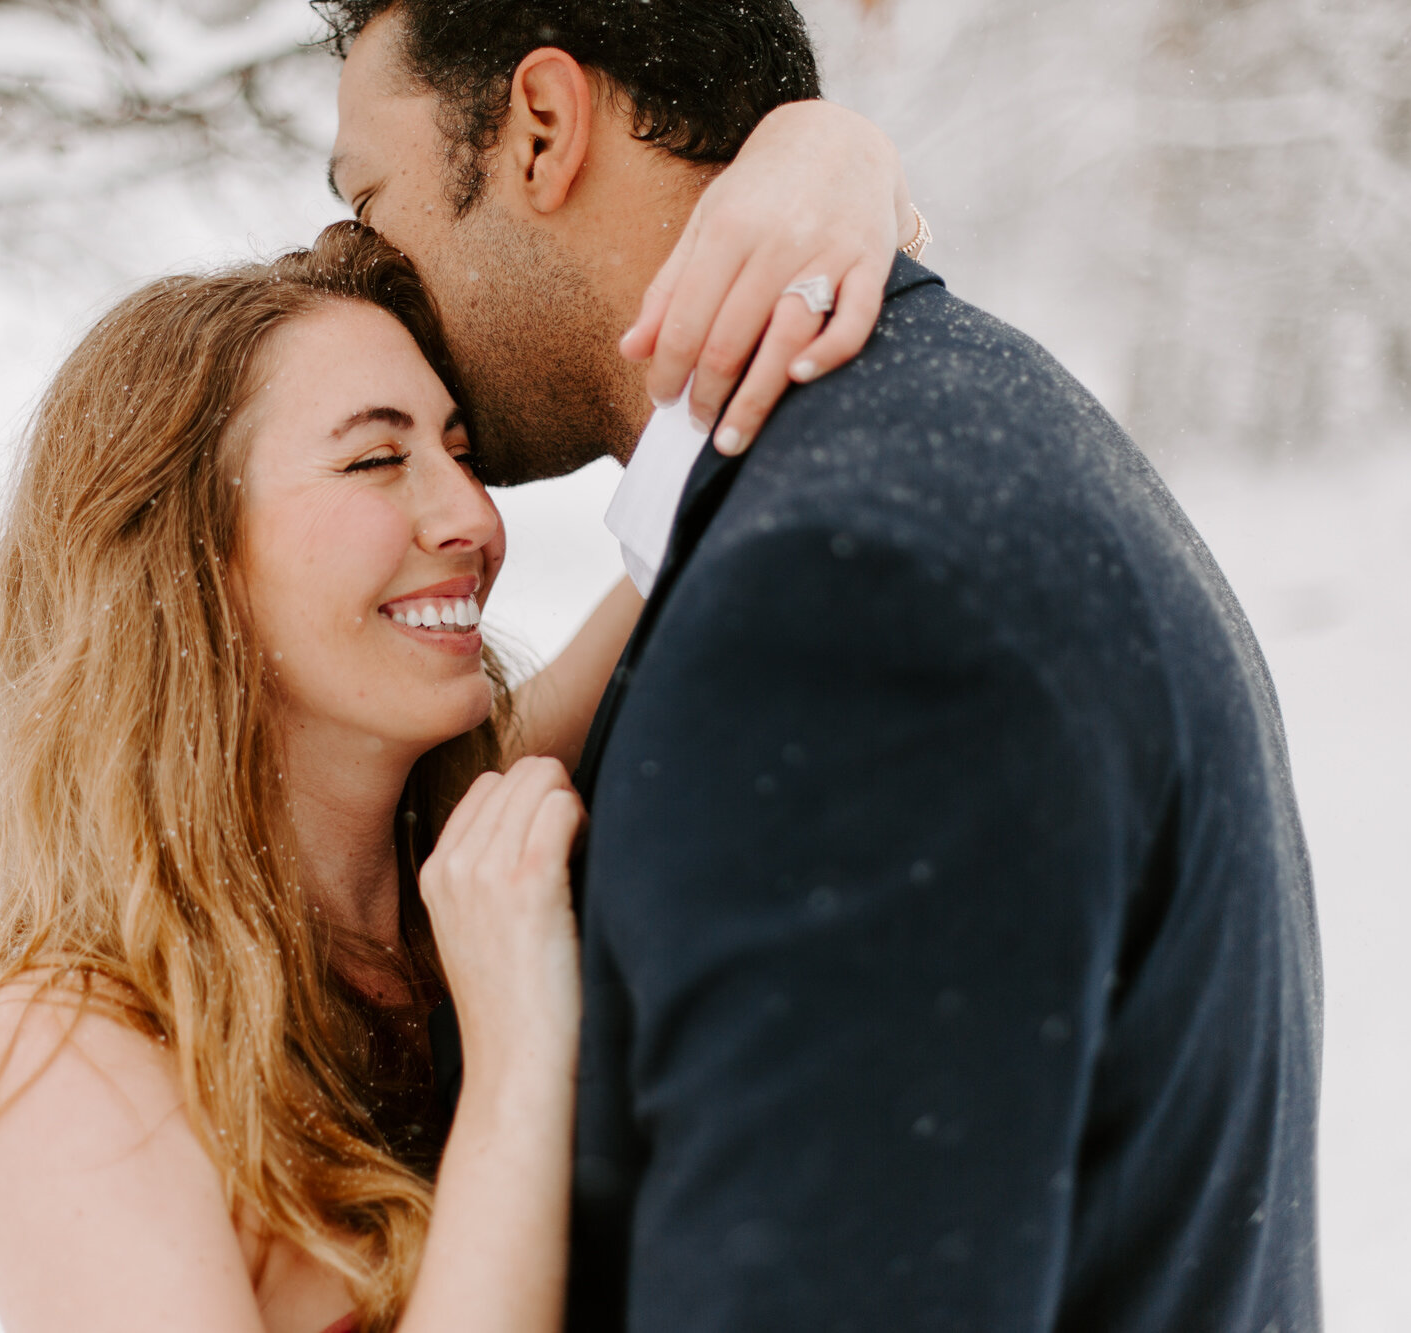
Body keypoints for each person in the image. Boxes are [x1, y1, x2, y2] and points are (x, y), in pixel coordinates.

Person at [317, 3, 1324, 1332]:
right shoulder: (934, 440)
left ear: (541, 130)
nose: (362, 267)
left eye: (370, 198)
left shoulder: (841, 603)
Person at [0, 113, 916, 1333]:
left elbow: (714, 490)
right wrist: (513, 1058)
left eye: (456, 448)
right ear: (185, 564)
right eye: (374, 461)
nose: (470, 515)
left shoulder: (477, 837)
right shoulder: (72, 1051)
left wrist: (830, 158)